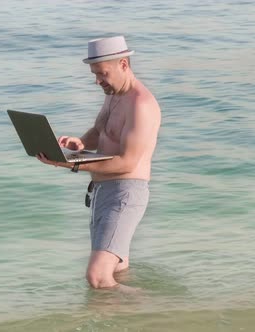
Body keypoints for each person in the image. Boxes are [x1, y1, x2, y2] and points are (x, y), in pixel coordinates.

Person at [36, 36, 161, 289]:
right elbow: (99, 129)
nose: (97, 81)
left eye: (102, 74)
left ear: (123, 64)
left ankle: (164, 313)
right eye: (95, 74)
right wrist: (80, 144)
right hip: (102, 193)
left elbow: (127, 163)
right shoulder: (114, 94)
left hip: (125, 194)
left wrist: (71, 164)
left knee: (97, 276)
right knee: (116, 272)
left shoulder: (141, 105)